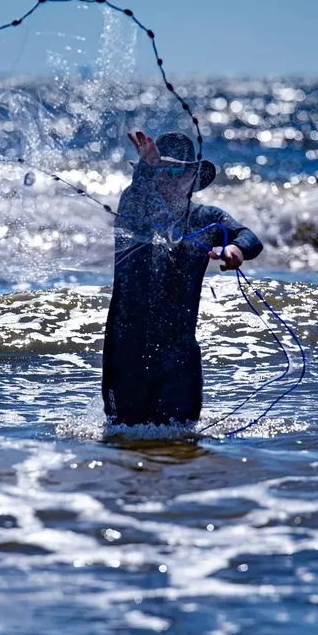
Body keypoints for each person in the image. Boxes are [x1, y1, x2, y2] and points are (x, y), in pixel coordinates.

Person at [102, 130, 263, 427]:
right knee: (123, 440)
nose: (169, 178)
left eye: (178, 170)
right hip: (126, 352)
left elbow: (250, 237)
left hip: (179, 355)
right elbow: (138, 195)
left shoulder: (206, 219)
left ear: (193, 176)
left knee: (184, 442)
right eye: (162, 169)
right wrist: (146, 170)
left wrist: (235, 249)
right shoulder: (134, 208)